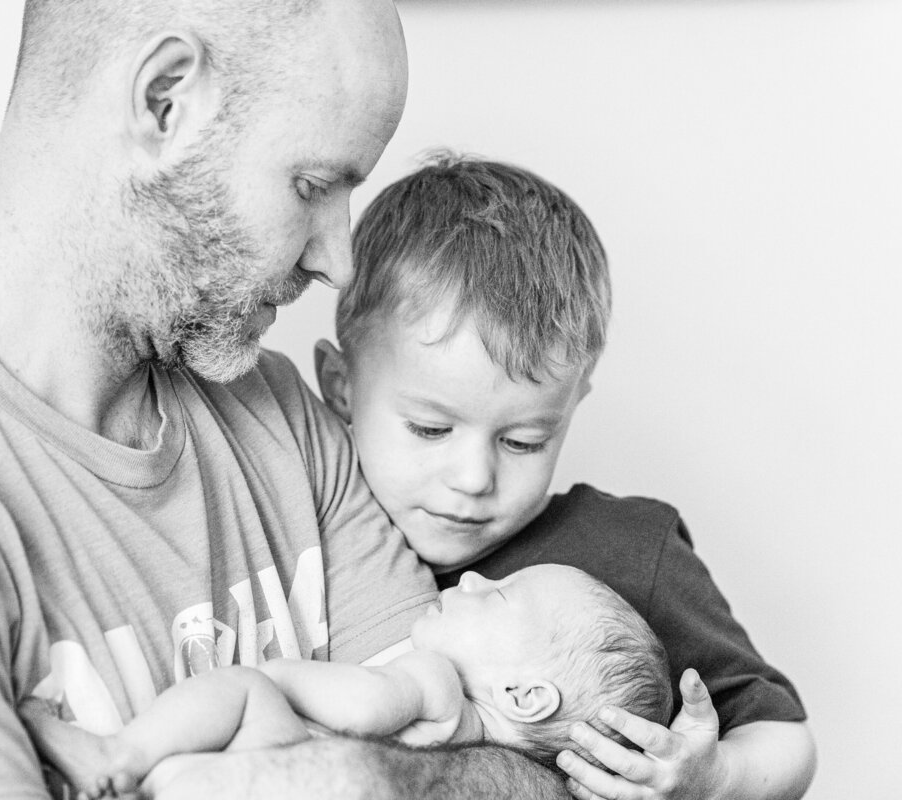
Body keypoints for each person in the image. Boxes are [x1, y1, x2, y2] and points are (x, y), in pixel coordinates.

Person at [0, 3, 572, 799]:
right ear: (165, 101)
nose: (338, 263)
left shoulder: (283, 417)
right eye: (313, 186)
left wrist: (363, 778)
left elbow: (519, 761)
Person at [313, 153, 818, 799]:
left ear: (571, 407)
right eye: (431, 429)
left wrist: (712, 776)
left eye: (524, 439)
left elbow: (787, 738)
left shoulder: (628, 548)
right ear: (339, 388)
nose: (473, 478)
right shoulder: (313, 531)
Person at [20, 564, 671, 798]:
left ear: (526, 697)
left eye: (497, 596)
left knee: (249, 693)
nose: (470, 581)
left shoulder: (437, 684)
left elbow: (360, 708)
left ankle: (118, 753)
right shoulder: (497, 769)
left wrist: (272, 675)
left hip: (266, 763)